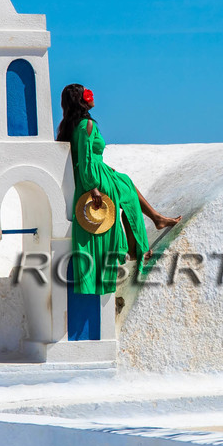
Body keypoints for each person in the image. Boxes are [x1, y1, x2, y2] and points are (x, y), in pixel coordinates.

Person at [58, 83, 179, 296]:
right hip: (94, 178)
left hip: (98, 172)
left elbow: (82, 158)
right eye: (87, 92)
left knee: (127, 184)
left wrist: (104, 171)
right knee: (129, 198)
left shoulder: (70, 125)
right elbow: (86, 159)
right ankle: (137, 248)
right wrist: (93, 188)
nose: (92, 95)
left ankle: (154, 222)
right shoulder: (86, 124)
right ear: (81, 100)